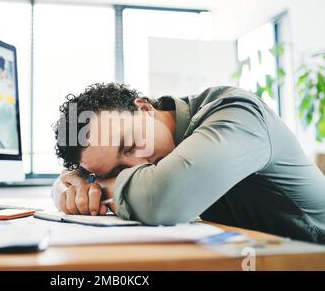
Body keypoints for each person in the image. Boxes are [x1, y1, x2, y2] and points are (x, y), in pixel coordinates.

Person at [51, 83, 325, 243]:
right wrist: (65, 188)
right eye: (118, 171)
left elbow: (164, 198)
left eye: (131, 144)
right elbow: (67, 183)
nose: (137, 166)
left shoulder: (235, 112)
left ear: (145, 109)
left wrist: (99, 185)